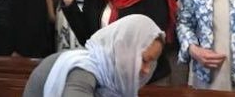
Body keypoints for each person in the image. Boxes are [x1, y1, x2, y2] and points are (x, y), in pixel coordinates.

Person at [23, 14, 165, 97]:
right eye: (144, 60)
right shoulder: (84, 70)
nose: (147, 70)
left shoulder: (111, 77)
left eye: (151, 63)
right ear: (125, 51)